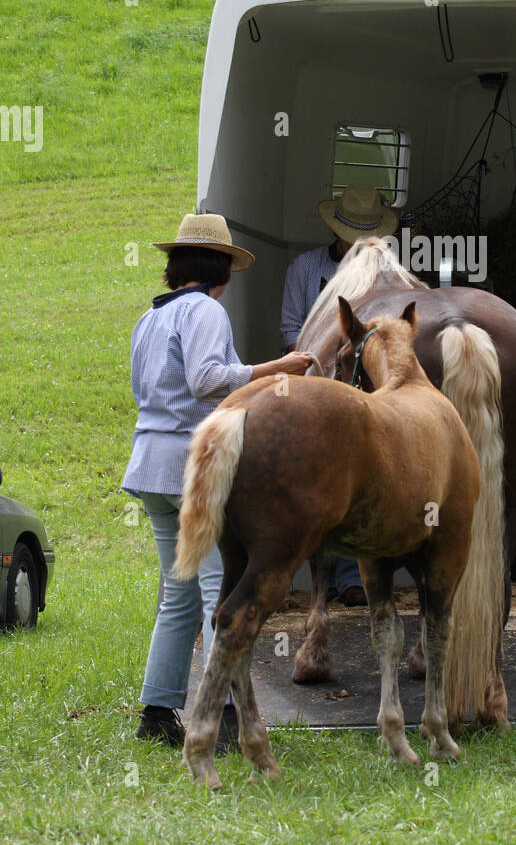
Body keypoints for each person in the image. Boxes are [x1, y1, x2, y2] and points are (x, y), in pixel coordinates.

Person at [123, 213, 313, 748]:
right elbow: (206, 381)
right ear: (219, 268)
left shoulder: (150, 318)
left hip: (150, 466)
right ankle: (225, 715)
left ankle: (157, 712)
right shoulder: (205, 310)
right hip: (193, 467)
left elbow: (147, 389)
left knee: (177, 597)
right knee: (216, 592)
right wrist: (276, 369)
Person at [280, 183, 398, 607]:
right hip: (313, 382)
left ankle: (352, 575)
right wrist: (320, 359)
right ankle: (322, 577)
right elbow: (291, 330)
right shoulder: (306, 269)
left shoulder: (386, 276)